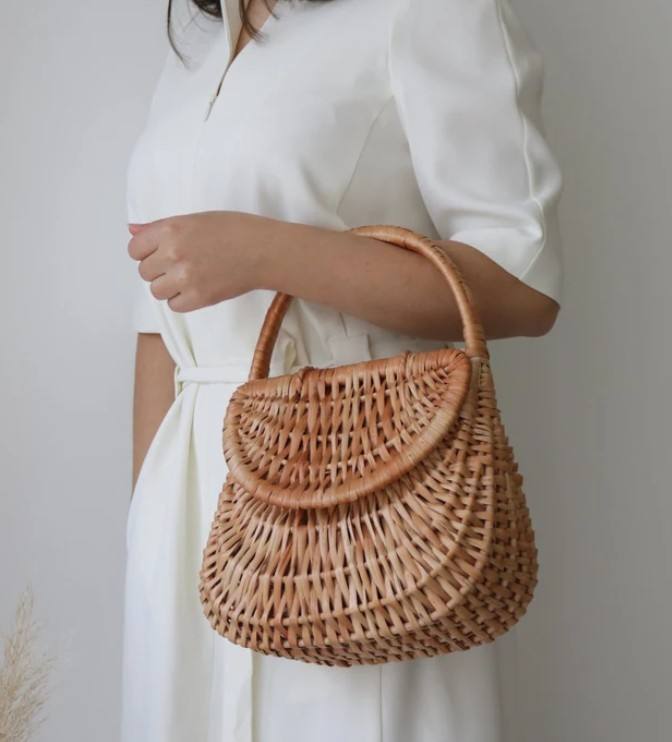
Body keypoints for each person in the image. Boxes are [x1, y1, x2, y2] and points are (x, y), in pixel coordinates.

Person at [121, 0, 563, 740]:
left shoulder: (431, 12)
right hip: (190, 515)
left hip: (361, 490)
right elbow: (157, 329)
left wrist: (268, 252)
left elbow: (525, 286)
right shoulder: (195, 47)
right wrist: (147, 533)